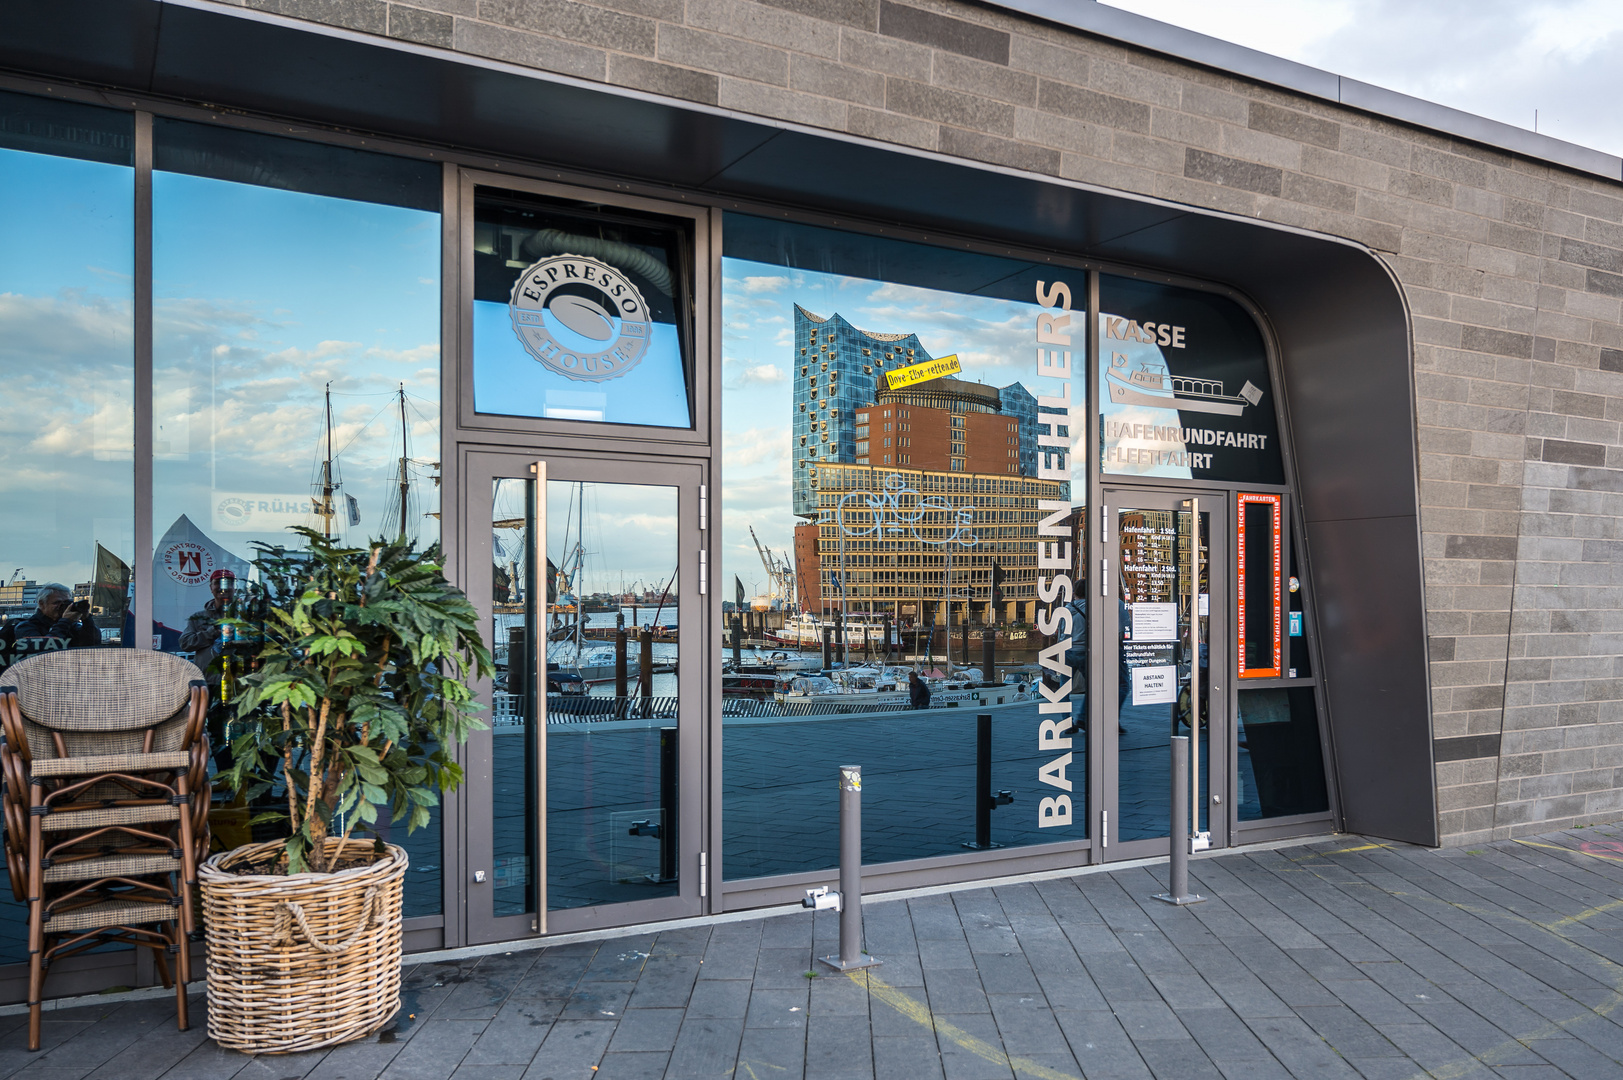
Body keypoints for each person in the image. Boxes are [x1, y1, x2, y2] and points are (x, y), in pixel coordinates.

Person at [0, 583, 101, 672]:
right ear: (41, 604)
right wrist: (65, 622)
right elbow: (45, 650)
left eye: (66, 603)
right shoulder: (25, 627)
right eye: (56, 603)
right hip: (35, 681)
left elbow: (93, 643)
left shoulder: (71, 626)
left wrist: (86, 619)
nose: (61, 606)